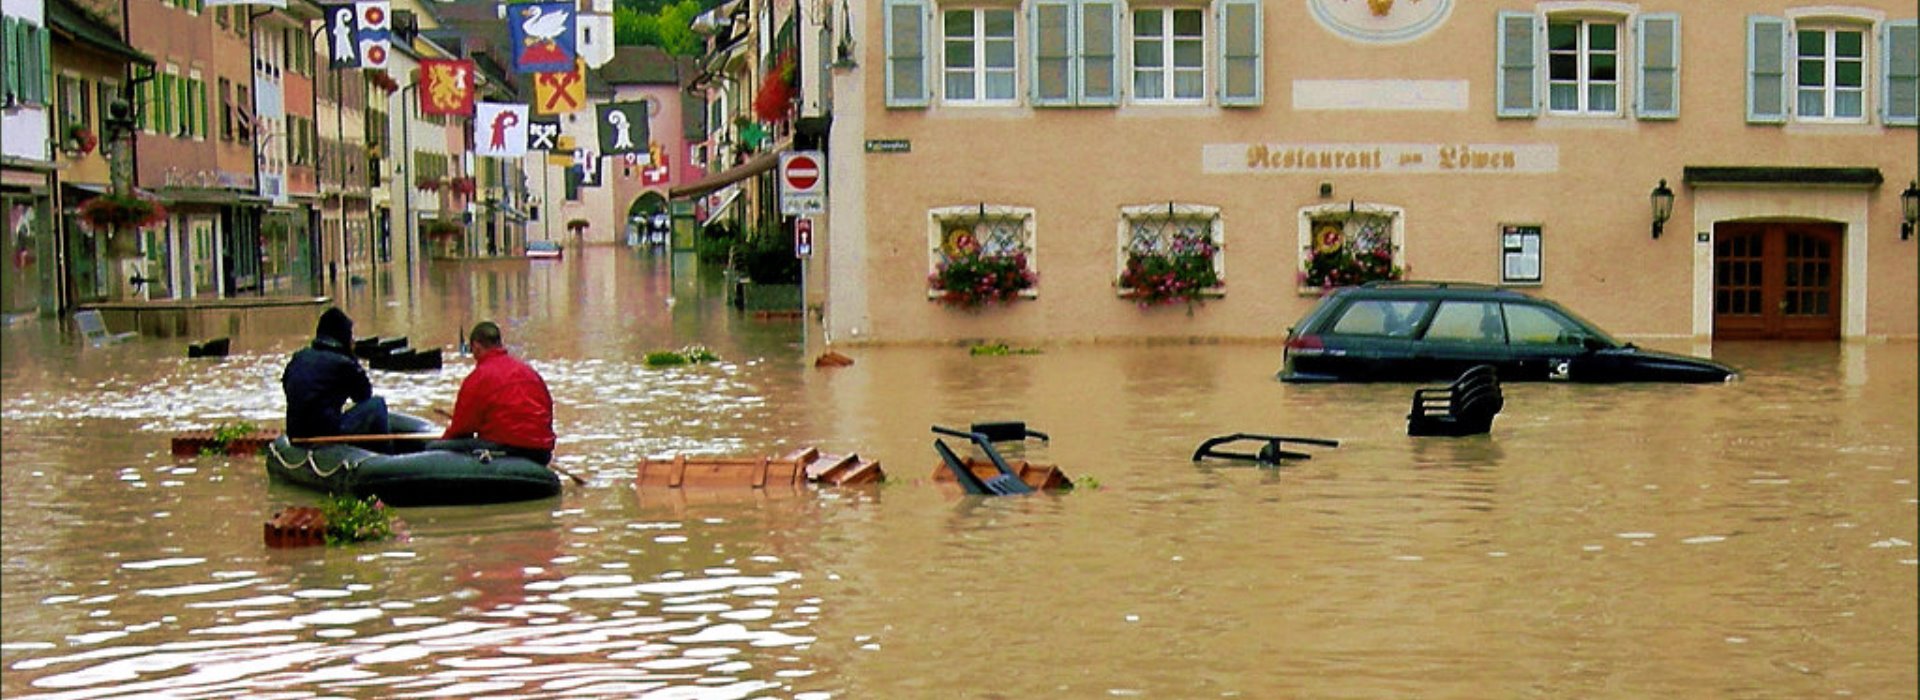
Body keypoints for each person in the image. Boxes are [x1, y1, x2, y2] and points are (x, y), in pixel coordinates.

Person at [430, 321, 556, 465]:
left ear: (476, 347)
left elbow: (461, 429)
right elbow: (547, 410)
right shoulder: (531, 373)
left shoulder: (478, 377)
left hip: (504, 449)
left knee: (434, 448)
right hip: (541, 451)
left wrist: (442, 440)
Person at [282, 306, 388, 438]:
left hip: (295, 432)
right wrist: (352, 356)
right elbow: (364, 395)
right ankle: (386, 453)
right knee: (377, 404)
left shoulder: (299, 356)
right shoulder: (343, 363)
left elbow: (287, 386)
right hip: (325, 432)